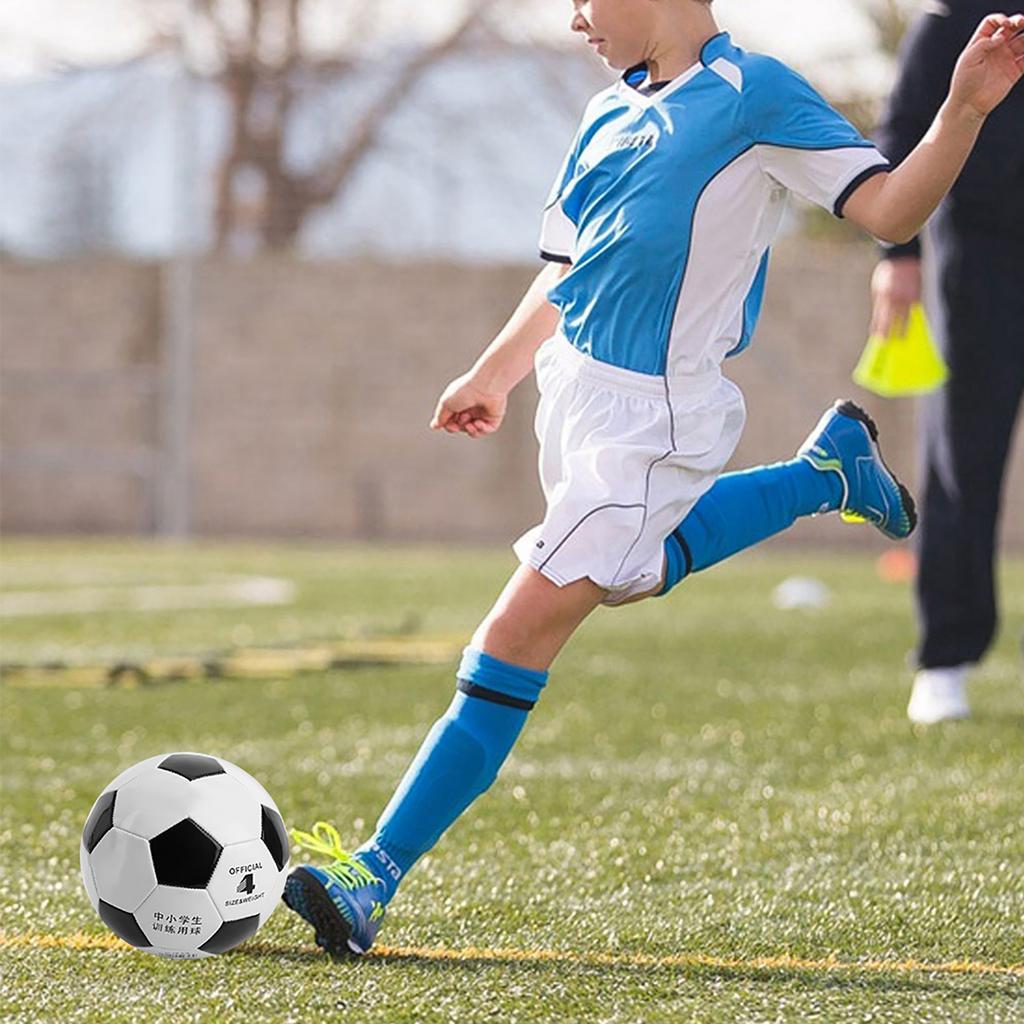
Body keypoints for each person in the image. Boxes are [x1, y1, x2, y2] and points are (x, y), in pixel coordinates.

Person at [283, 0, 1024, 955]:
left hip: (654, 421)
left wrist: (962, 108)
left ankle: (372, 875)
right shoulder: (605, 114)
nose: (575, 18)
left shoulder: (755, 95)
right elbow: (563, 269)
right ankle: (825, 475)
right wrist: (494, 374)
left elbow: (890, 209)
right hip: (573, 405)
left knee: (516, 632)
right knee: (629, 570)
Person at [870, 0, 1024, 724]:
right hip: (982, 262)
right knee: (964, 458)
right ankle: (946, 658)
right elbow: (903, 126)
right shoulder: (957, 9)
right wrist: (897, 254)